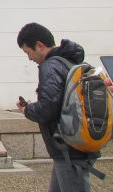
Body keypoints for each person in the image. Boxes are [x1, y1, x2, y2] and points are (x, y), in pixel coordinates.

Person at [16, 22, 100, 192]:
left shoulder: (51, 66)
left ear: (39, 46)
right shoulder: (70, 62)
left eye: (28, 52)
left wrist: (28, 109)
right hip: (73, 143)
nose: (29, 58)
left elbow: (48, 109)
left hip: (67, 147)